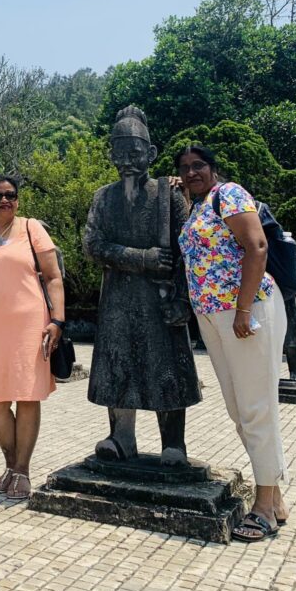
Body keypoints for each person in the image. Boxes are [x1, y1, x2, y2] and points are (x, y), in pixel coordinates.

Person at [175, 145, 288, 542]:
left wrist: (242, 310)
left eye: (198, 166)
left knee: (256, 406)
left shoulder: (230, 194)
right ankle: (273, 495)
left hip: (247, 309)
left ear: (214, 168)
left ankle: (264, 506)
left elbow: (257, 247)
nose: (191, 173)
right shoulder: (198, 207)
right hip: (212, 315)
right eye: (184, 169)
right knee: (240, 409)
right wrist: (179, 186)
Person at [84, 106, 201, 465]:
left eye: (135, 153)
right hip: (118, 298)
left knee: (166, 368)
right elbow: (93, 245)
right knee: (119, 367)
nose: (127, 161)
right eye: (120, 153)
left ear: (150, 153)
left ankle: (173, 443)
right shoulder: (104, 197)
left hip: (159, 299)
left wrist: (182, 299)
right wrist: (142, 257)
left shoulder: (169, 197)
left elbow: (189, 252)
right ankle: (121, 438)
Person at [0, 176, 65, 500]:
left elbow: (54, 276)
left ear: (17, 200)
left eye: (10, 195)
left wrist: (57, 320)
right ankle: (10, 462)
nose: (5, 200)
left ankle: (22, 471)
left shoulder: (32, 229)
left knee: (27, 396)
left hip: (32, 326)